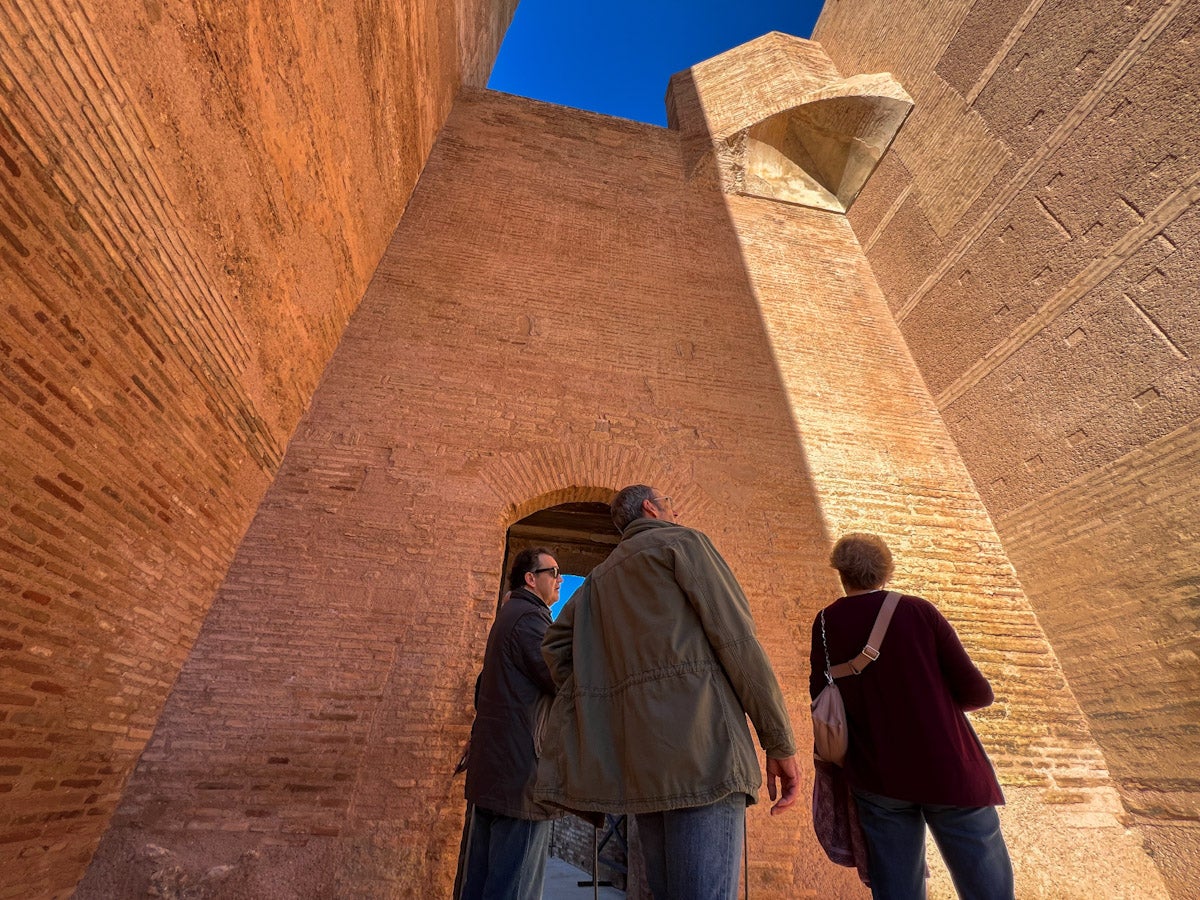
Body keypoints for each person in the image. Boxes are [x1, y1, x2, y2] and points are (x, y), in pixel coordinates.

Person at [536, 485, 800, 900]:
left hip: (641, 766)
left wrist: (599, 696)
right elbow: (737, 641)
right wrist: (779, 740)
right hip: (704, 752)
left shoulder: (598, 581)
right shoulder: (683, 542)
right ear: (650, 508)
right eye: (671, 507)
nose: (675, 515)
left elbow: (555, 646)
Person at [809, 533, 1014, 900]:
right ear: (887, 572)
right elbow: (977, 693)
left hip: (877, 773)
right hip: (948, 768)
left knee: (898, 889)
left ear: (841, 573)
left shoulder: (825, 624)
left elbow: (821, 697)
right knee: (986, 887)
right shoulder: (918, 611)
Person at [461, 547, 564, 900]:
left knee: (483, 881)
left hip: (497, 770)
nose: (560, 578)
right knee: (513, 888)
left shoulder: (510, 615)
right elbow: (560, 679)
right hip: (521, 774)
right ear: (530, 578)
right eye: (553, 571)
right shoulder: (530, 620)